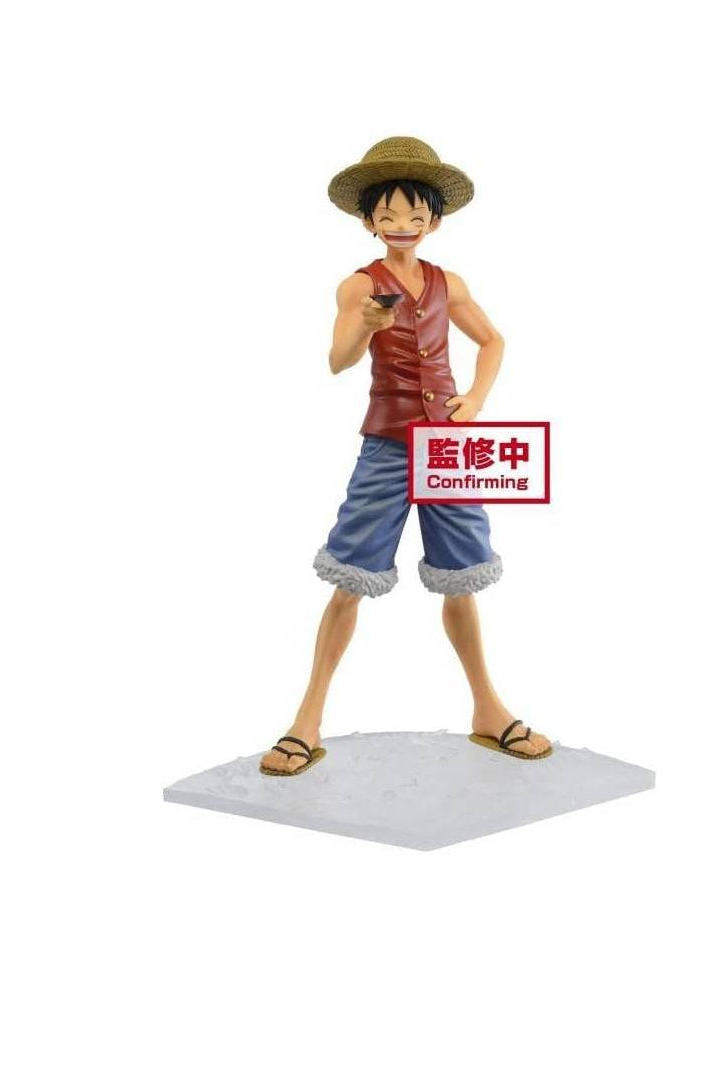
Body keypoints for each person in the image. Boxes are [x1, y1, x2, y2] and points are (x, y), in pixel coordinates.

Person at [260, 137, 552, 775]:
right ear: (369, 220)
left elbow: (493, 340)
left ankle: (487, 709)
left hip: (445, 442)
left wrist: (475, 398)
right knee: (350, 579)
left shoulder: (449, 283)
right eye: (388, 215)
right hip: (388, 444)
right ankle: (307, 719)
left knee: (462, 576)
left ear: (433, 222)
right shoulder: (360, 285)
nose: (402, 226)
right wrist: (366, 325)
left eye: (414, 216)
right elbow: (336, 360)